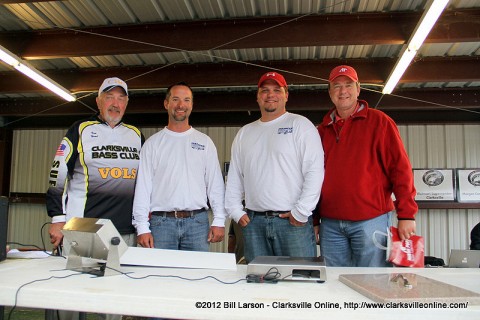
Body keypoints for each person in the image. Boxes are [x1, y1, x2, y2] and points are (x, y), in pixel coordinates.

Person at [46, 77, 144, 319]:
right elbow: (56, 173)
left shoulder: (136, 134)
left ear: (127, 103)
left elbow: (146, 182)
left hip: (122, 231)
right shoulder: (80, 129)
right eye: (109, 97)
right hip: (83, 229)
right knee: (73, 298)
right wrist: (57, 218)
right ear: (98, 101)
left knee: (113, 301)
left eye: (121, 98)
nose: (115, 103)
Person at [316, 65, 417, 267]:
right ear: (330, 92)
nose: (343, 91)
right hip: (330, 225)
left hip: (371, 220)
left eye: (348, 85)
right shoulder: (321, 130)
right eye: (336, 86)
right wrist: (314, 219)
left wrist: (406, 215)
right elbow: (313, 178)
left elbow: (400, 169)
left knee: (372, 282)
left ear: (358, 88)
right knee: (333, 285)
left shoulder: (380, 122)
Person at [225, 71, 324, 263]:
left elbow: (315, 171)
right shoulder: (245, 133)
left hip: (292, 222)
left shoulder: (300, 125)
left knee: (300, 281)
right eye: (265, 90)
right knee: (260, 284)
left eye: (277, 90)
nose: (271, 95)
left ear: (286, 95)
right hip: (254, 224)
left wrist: (302, 211)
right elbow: (235, 176)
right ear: (257, 96)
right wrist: (235, 210)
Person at [132, 82, 226, 251]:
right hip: (161, 224)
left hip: (197, 224)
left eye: (186, 100)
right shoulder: (152, 144)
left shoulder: (204, 142)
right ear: (166, 104)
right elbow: (143, 188)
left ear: (191, 105)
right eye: (175, 99)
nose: (181, 105)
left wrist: (219, 219)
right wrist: (142, 226)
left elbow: (215, 184)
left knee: (197, 276)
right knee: (160, 276)